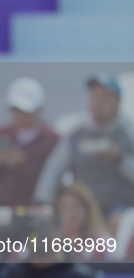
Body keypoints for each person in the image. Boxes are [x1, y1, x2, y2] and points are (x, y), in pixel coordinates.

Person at [34, 73, 134, 221]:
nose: (99, 103)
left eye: (105, 98)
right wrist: (42, 201)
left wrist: (119, 159)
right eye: (95, 97)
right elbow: (54, 168)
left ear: (118, 102)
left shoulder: (128, 132)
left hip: (121, 207)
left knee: (116, 221)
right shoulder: (77, 134)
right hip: (84, 208)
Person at [0, 78, 59, 207]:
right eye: (16, 109)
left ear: (39, 109)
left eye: (25, 110)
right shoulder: (1, 134)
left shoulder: (51, 139)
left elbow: (51, 181)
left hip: (32, 210)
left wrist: (21, 164)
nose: (20, 115)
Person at [54, 181, 113, 261]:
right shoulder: (49, 242)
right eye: (66, 207)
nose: (72, 214)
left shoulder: (101, 242)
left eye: (77, 207)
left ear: (87, 211)